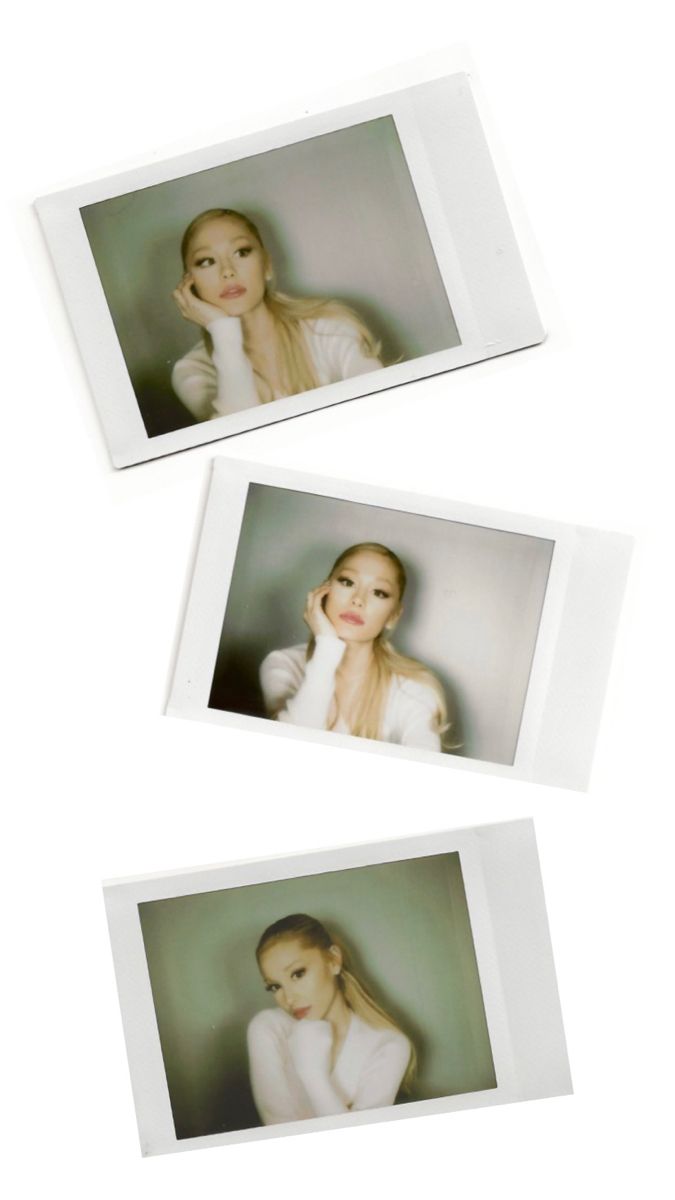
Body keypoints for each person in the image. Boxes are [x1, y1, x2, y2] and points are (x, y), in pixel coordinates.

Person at [171, 208, 383, 420]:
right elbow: (240, 439)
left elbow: (383, 408)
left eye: (241, 252)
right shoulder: (191, 370)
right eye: (207, 261)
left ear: (267, 266)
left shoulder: (328, 330)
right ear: (190, 285)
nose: (227, 271)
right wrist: (222, 330)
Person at [260, 542, 456, 751]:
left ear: (393, 615)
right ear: (323, 591)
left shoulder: (414, 689)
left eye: (379, 592)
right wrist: (327, 646)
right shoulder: (283, 664)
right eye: (347, 582)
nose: (358, 600)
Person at [247, 913, 415, 1125]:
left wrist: (313, 1074)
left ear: (333, 960)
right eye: (275, 986)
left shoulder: (388, 1045)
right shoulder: (269, 1028)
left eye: (298, 974)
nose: (288, 998)